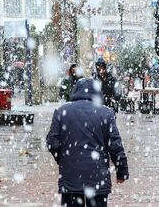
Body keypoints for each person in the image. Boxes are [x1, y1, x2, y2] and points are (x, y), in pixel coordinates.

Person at [46, 78, 129, 207]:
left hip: (71, 177)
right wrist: (122, 170)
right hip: (97, 175)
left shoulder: (62, 111)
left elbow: (52, 142)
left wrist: (63, 159)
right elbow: (115, 145)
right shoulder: (106, 113)